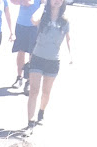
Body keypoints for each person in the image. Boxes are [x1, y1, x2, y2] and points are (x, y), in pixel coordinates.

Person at [26, 0, 71, 129]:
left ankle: (41, 111)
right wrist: (42, 6)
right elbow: (33, 20)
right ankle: (30, 121)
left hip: (53, 61)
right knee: (34, 91)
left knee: (46, 92)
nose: (57, 1)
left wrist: (71, 55)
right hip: (37, 57)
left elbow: (68, 39)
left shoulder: (65, 21)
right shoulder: (43, 16)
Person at [10, 0, 41, 95]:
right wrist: (21, 2)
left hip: (35, 26)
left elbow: (45, 5)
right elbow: (12, 1)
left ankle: (29, 81)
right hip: (21, 24)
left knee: (33, 54)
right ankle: (19, 78)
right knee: (21, 51)